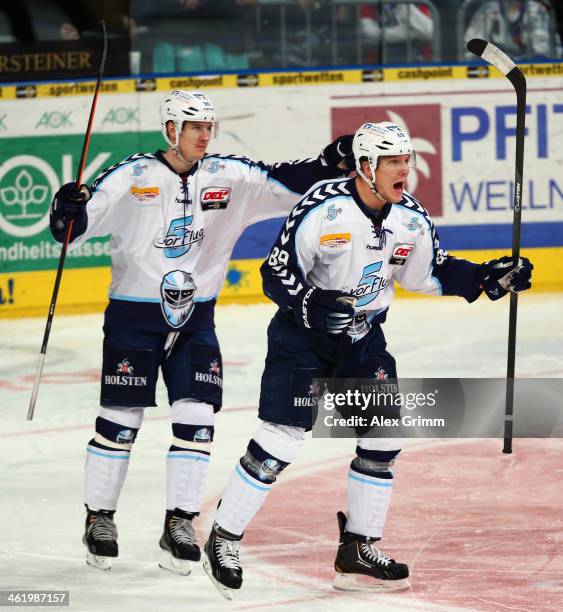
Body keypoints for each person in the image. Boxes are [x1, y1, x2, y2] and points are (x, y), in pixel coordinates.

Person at [202, 121, 533, 597]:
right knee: (283, 439)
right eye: (393, 162)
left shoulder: (410, 217)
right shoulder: (321, 207)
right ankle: (225, 536)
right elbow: (276, 273)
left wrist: (486, 277)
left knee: (384, 436)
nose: (405, 169)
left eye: (406, 160)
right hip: (304, 339)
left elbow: (432, 271)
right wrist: (312, 304)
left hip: (362, 340)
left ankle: (357, 547)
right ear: (364, 167)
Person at [49, 89, 353, 573]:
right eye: (195, 128)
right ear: (171, 129)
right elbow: (72, 230)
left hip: (197, 321)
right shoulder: (133, 175)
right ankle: (99, 517)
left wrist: (329, 161)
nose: (205, 136)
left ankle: (180, 521)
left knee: (197, 420)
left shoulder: (228, 175)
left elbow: (287, 182)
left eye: (209, 127)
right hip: (133, 317)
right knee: (120, 421)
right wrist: (65, 209)